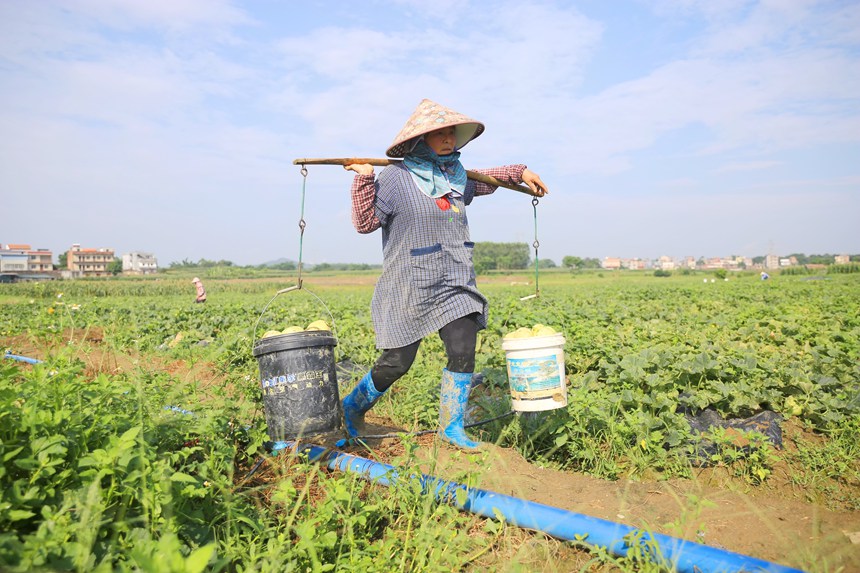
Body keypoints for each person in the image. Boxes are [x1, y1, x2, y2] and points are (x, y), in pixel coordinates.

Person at [340, 99, 548, 450]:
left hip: (455, 278)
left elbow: (488, 178)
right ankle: (352, 406)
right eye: (440, 133)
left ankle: (451, 427)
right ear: (419, 140)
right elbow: (364, 224)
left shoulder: (456, 177)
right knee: (397, 363)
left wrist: (519, 172)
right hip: (411, 282)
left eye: (451, 132)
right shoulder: (395, 177)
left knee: (463, 348)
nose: (449, 138)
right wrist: (364, 180)